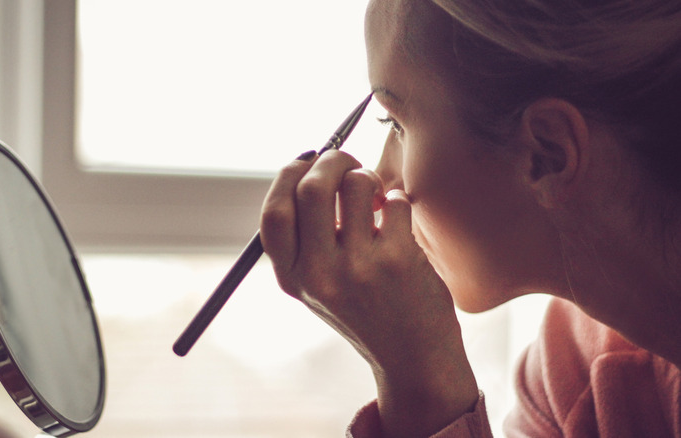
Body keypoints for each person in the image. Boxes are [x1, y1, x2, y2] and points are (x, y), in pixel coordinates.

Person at [259, 0, 681, 436]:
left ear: (546, 154)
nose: (383, 181)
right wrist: (421, 382)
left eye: (397, 124)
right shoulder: (572, 374)